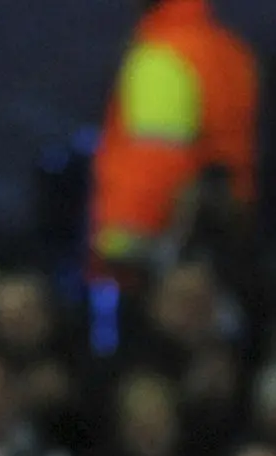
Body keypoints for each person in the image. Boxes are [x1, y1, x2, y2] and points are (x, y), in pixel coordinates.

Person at [90, 0, 264, 265]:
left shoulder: (164, 54)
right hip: (227, 230)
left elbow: (158, 158)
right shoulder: (230, 51)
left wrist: (126, 244)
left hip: (163, 246)